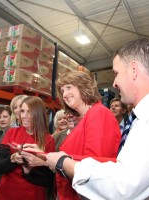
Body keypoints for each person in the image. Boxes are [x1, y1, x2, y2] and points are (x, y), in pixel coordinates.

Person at [45, 38, 149, 199]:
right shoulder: (144, 117)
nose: (115, 83)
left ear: (133, 70)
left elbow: (124, 186)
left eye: (116, 74)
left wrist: (66, 164)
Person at [46, 70, 121, 200]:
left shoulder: (99, 114)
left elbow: (94, 166)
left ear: (83, 86)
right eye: (62, 91)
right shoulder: (86, 119)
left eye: (69, 87)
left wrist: (60, 161)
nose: (65, 94)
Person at [0, 96, 55, 200]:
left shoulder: (48, 140)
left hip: (32, 194)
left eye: (29, 112)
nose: (24, 116)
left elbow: (48, 180)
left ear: (38, 114)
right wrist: (12, 159)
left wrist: (29, 171)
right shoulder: (12, 132)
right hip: (6, 192)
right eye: (22, 111)